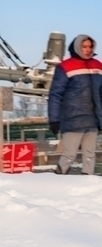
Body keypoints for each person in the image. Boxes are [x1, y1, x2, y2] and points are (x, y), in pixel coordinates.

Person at [47, 34, 102, 175]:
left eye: (90, 46)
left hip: (92, 120)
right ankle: (60, 179)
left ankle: (87, 184)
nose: (88, 50)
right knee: (69, 155)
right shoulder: (65, 67)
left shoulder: (98, 66)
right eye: (84, 47)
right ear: (77, 47)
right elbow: (55, 94)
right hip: (72, 120)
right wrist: (54, 119)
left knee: (90, 156)